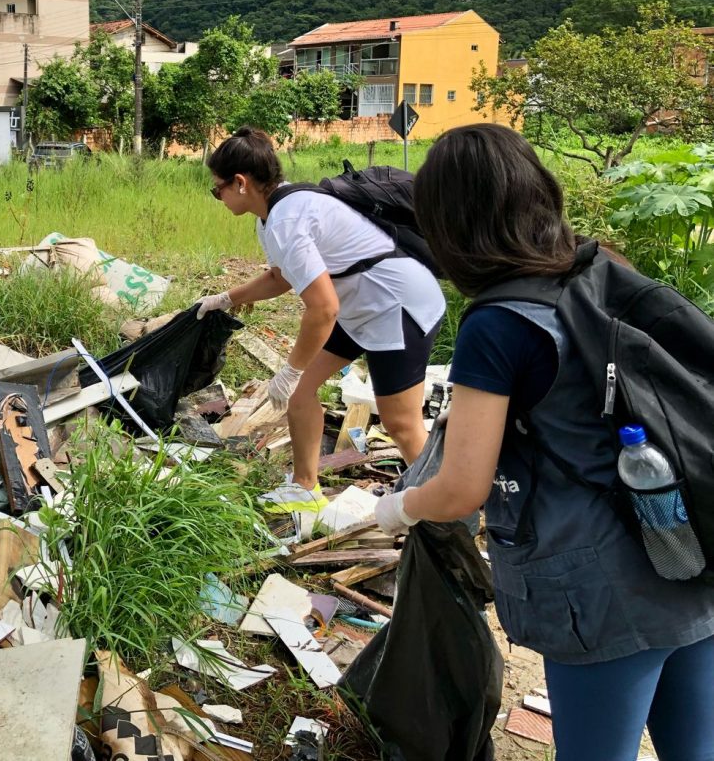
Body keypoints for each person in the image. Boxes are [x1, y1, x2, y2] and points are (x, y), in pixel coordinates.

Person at [374, 123, 714, 761]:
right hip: (685, 546)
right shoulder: (605, 267)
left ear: (450, 224)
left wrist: (400, 506)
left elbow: (463, 488)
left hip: (600, 588)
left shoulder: (498, 325)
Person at [197, 127, 445, 514]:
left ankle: (449, 513)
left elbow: (323, 308)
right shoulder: (273, 214)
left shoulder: (286, 220)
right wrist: (227, 298)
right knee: (301, 393)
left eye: (218, 190)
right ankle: (305, 489)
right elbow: (280, 277)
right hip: (361, 306)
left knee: (400, 422)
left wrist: (291, 369)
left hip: (397, 306)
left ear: (241, 183)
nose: (219, 197)